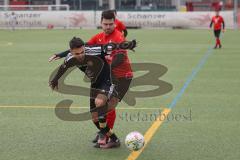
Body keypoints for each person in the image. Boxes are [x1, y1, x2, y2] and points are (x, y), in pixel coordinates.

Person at [49, 37, 121, 147]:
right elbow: (63, 68)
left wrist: (125, 47)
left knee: (99, 102)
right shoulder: (69, 58)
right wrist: (55, 80)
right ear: (71, 51)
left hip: (108, 79)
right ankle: (114, 139)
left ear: (84, 48)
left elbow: (110, 47)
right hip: (95, 84)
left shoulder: (94, 50)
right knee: (94, 118)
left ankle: (102, 134)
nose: (81, 55)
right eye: (77, 53)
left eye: (83, 51)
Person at [87, 10, 133, 148]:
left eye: (110, 24)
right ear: (101, 23)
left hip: (122, 77)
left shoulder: (119, 38)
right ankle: (104, 131)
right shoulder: (98, 37)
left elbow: (120, 58)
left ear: (115, 22)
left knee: (108, 105)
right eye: (105, 24)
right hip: (108, 78)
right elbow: (85, 48)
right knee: (96, 112)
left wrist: (108, 60)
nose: (108, 27)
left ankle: (109, 138)